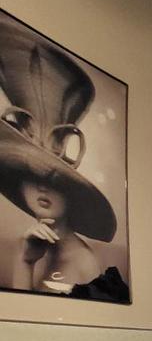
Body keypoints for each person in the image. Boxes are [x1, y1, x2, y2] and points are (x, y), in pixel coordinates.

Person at [0, 23, 118, 294]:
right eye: (31, 175)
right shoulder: (38, 250)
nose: (42, 187)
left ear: (69, 188)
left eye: (52, 178)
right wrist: (25, 260)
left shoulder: (82, 262)